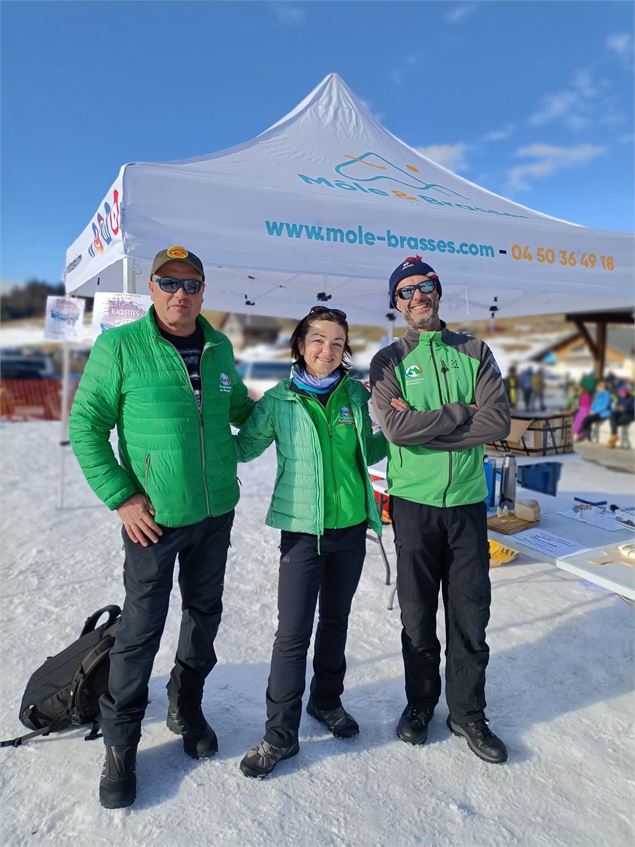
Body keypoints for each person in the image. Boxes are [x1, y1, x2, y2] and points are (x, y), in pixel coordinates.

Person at [69, 246, 254, 808]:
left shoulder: (219, 347)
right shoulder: (121, 346)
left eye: (191, 284)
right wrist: (122, 497)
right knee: (141, 628)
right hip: (152, 519)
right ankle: (121, 744)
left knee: (204, 613)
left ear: (204, 290)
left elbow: (239, 410)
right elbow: (86, 425)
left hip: (215, 510)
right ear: (150, 288)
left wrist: (295, 402)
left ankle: (186, 705)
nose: (181, 294)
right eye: (168, 283)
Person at [234, 306, 387, 778]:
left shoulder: (355, 396)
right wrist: (207, 416)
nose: (328, 350)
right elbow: (243, 448)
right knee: (292, 634)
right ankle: (280, 734)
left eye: (338, 343)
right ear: (300, 345)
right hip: (302, 532)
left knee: (336, 621)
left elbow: (373, 450)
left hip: (350, 528)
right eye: (318, 340)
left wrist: (393, 423)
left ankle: (327, 701)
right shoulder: (279, 400)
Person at [370, 256, 511, 764]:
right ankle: (419, 703)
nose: (417, 297)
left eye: (425, 286)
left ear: (438, 291)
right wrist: (460, 414)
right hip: (413, 504)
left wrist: (428, 426)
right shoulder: (386, 361)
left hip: (468, 504)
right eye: (405, 291)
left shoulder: (475, 350)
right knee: (416, 613)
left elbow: (496, 422)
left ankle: (467, 712)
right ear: (396, 303)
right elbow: (395, 430)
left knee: (471, 614)